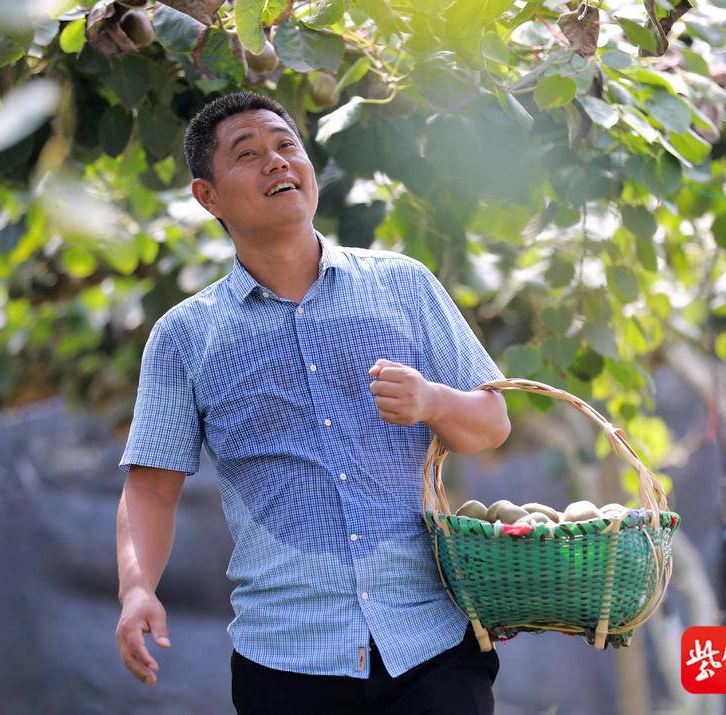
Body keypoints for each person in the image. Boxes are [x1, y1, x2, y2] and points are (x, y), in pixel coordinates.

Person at [114, 90, 511, 714]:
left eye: (286, 145)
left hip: (431, 641)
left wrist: (432, 401)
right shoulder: (185, 336)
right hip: (286, 659)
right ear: (208, 197)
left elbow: (491, 424)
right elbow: (150, 489)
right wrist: (137, 590)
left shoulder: (404, 286)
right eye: (247, 154)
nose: (276, 161)